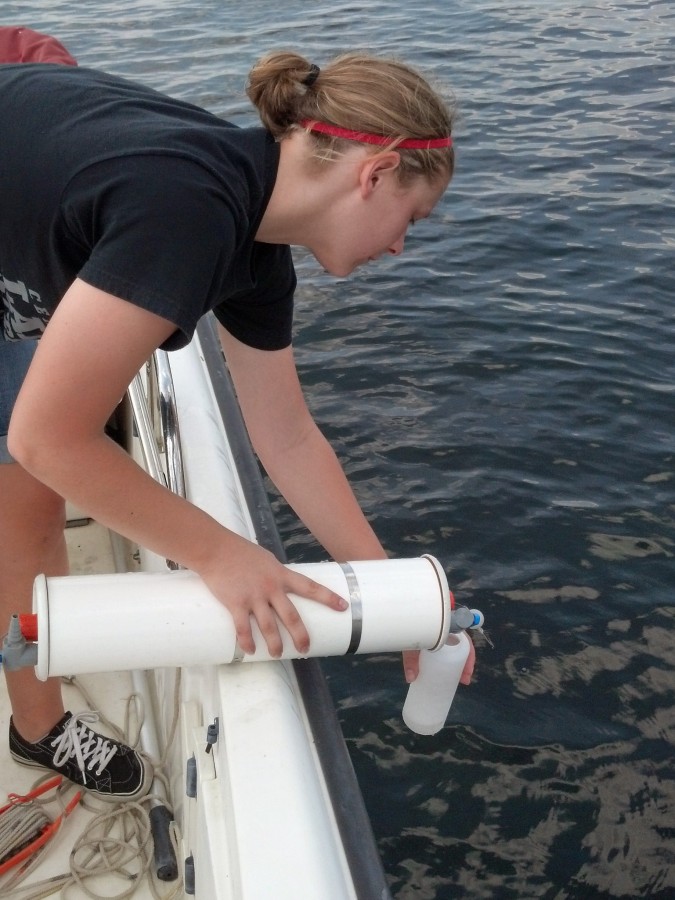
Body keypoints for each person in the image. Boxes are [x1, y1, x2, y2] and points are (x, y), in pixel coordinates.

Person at [1, 31, 472, 801]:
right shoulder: (185, 209)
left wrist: (402, 599)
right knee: (44, 450)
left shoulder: (256, 248)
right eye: (410, 220)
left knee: (27, 500)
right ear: (376, 172)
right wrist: (221, 554)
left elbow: (286, 436)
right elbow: (51, 436)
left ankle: (37, 728)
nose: (397, 248)